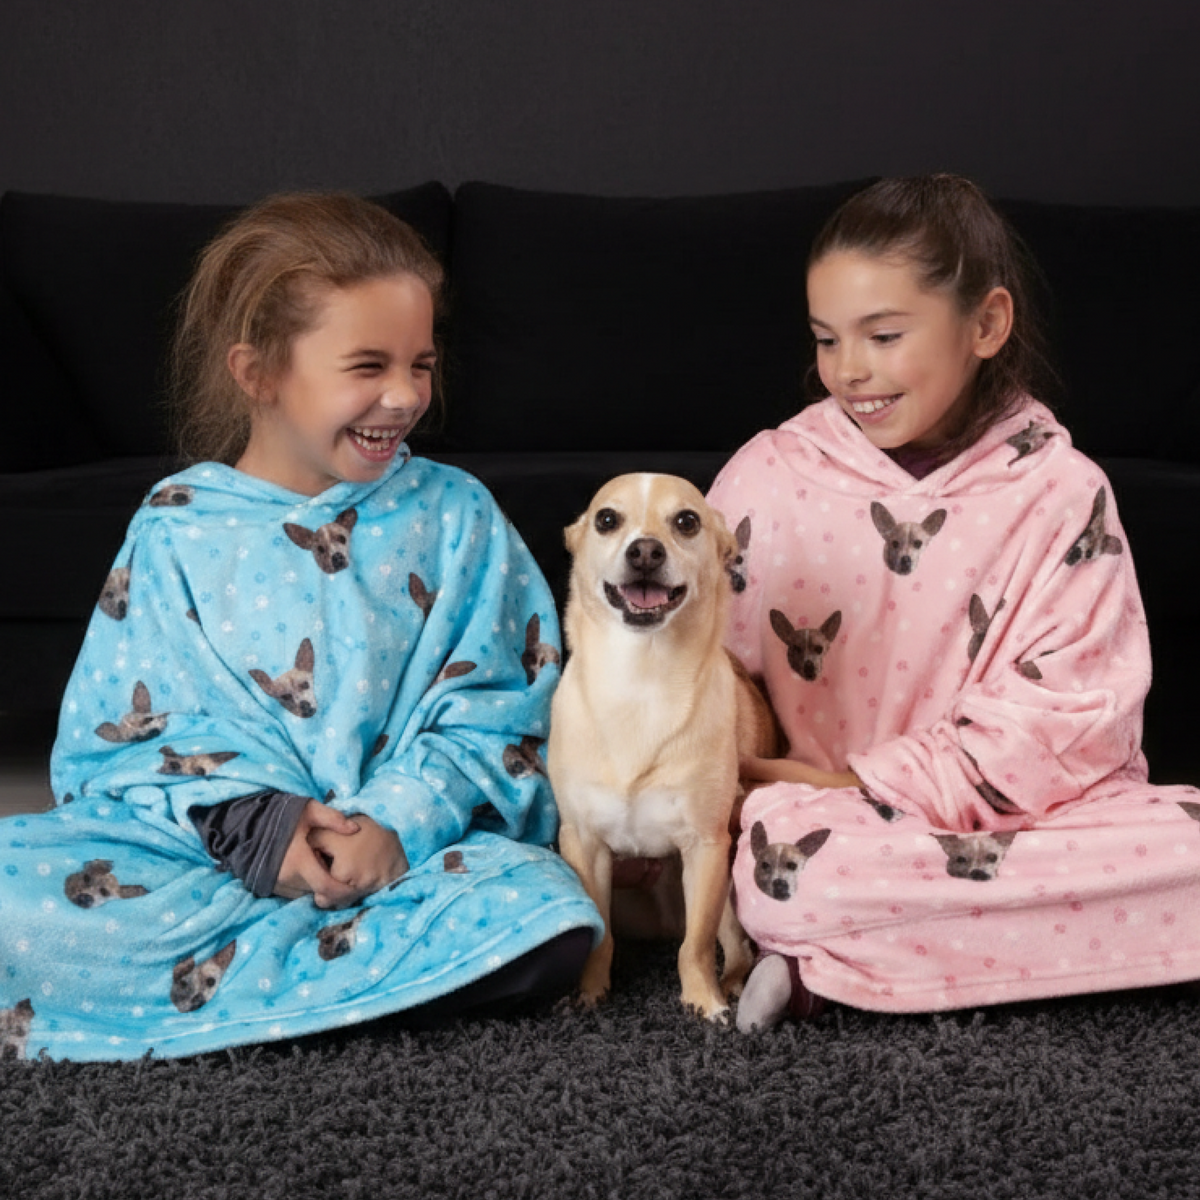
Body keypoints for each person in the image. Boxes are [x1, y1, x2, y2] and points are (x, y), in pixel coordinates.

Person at [0, 193, 601, 1061]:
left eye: (421, 365)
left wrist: (397, 821)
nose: (403, 397)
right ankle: (357, 984)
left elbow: (509, 707)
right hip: (203, 868)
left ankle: (276, 984)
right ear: (258, 374)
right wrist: (257, 829)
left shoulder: (457, 514)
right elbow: (120, 746)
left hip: (412, 863)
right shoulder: (175, 525)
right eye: (367, 366)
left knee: (545, 910)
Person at [708, 175, 1200, 1032]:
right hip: (826, 831)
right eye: (827, 340)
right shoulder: (768, 476)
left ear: (987, 324)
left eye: (884, 335)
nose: (849, 370)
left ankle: (829, 967)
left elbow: (1075, 720)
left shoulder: (1059, 490)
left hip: (1037, 818)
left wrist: (867, 781)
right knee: (784, 866)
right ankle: (843, 939)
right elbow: (699, 675)